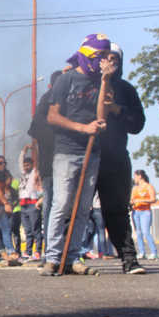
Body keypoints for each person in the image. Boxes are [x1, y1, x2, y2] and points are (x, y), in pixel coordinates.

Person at [40, 33, 112, 276]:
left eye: (106, 57)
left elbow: (102, 116)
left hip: (92, 152)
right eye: (99, 56)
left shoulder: (101, 81)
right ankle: (52, 257)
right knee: (61, 204)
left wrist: (105, 82)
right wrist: (83, 128)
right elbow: (52, 116)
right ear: (87, 55)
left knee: (83, 209)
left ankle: (72, 257)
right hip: (67, 151)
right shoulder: (65, 80)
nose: (102, 61)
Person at [95, 42, 147, 274]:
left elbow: (138, 124)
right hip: (84, 155)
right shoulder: (86, 85)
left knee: (116, 209)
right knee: (72, 210)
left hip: (115, 157)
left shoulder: (126, 89)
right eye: (105, 57)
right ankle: (66, 257)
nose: (109, 62)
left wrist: (117, 110)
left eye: (114, 58)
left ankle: (129, 258)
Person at [28, 70, 63, 263]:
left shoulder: (70, 101)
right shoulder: (46, 101)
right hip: (51, 166)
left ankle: (68, 252)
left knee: (64, 208)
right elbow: (36, 130)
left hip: (67, 164)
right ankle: (50, 253)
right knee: (51, 208)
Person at [18, 144, 43, 261]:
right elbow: (20, 161)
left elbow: (38, 161)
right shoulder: (23, 173)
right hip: (23, 205)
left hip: (33, 203)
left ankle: (37, 251)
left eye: (28, 164)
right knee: (27, 230)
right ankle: (28, 252)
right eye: (24, 165)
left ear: (32, 165)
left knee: (35, 229)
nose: (25, 166)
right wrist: (24, 150)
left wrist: (35, 149)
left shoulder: (34, 173)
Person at [131, 169, 158, 260]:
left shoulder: (148, 187)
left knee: (146, 232)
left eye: (135, 176)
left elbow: (153, 199)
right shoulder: (135, 188)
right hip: (135, 212)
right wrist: (131, 202)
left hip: (145, 212)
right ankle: (142, 252)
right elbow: (132, 199)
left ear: (140, 176)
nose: (134, 178)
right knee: (138, 233)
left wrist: (141, 200)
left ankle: (154, 252)